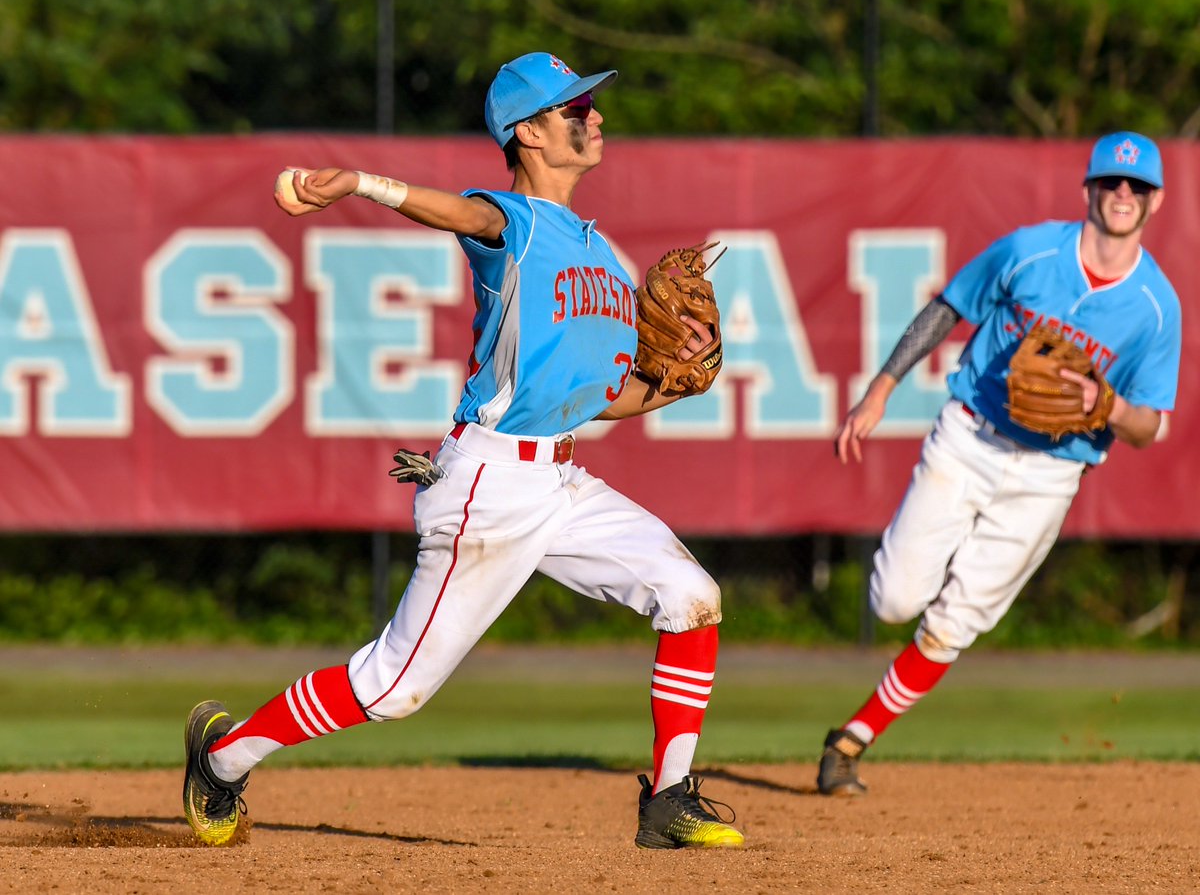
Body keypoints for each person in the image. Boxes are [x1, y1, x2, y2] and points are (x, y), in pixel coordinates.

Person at [182, 52, 744, 850]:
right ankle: (224, 759)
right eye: (573, 109)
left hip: (560, 476)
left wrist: (670, 389)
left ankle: (670, 796)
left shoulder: (598, 252)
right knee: (394, 686)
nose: (594, 117)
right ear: (527, 133)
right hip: (486, 483)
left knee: (690, 595)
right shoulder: (513, 223)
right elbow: (467, 216)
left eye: (590, 104)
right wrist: (363, 184)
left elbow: (595, 399)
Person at [818, 131, 1180, 795]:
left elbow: (1151, 425)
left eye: (1137, 187)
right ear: (1089, 191)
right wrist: (881, 388)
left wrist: (1107, 404)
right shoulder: (1030, 249)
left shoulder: (1156, 308)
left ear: (1155, 201)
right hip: (969, 436)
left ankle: (851, 739)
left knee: (957, 621)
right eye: (1111, 182)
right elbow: (948, 307)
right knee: (895, 599)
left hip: (1050, 473)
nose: (1122, 194)